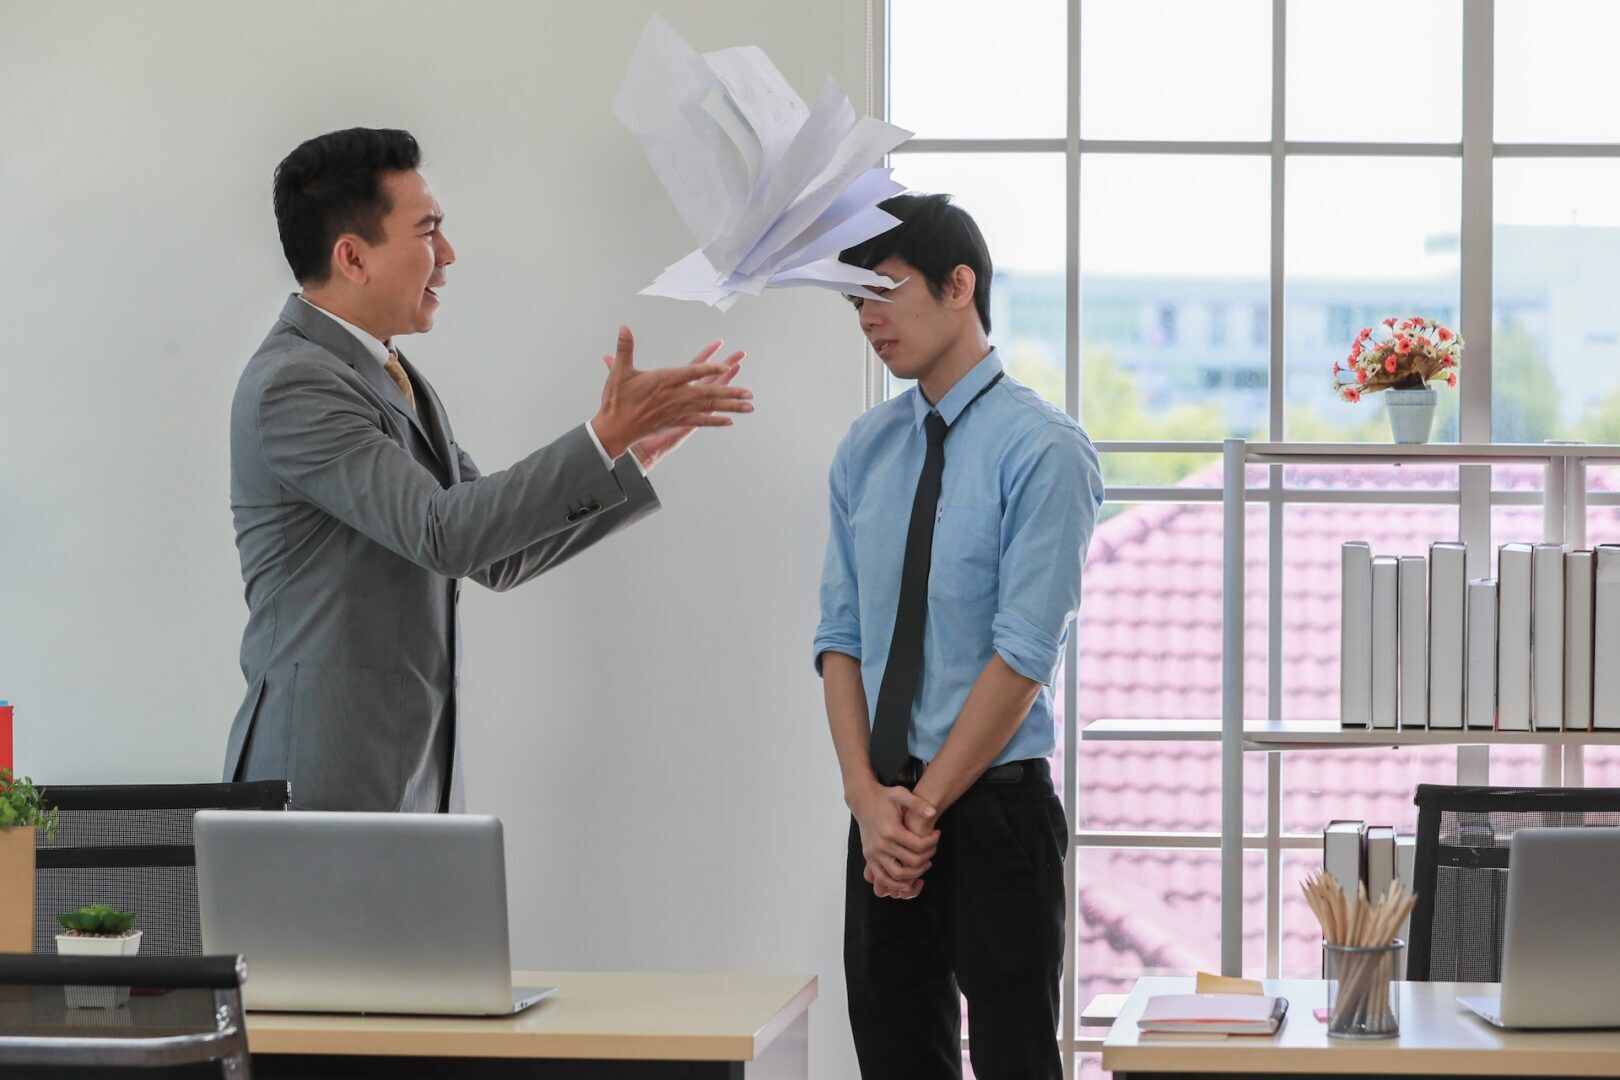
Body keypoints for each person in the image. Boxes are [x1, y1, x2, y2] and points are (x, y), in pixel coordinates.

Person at [224, 127, 753, 812]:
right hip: (320, 779)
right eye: (427, 231)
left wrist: (629, 453)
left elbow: (492, 553)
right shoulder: (294, 384)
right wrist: (602, 434)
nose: (447, 255)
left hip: (411, 776)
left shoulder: (389, 373)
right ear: (352, 257)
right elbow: (446, 534)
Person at [813, 193, 1104, 1079]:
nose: (867, 317)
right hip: (881, 809)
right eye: (853, 301)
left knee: (1017, 1062)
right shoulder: (865, 449)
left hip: (993, 812)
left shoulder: (1044, 449)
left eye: (884, 291)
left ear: (958, 286)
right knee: (896, 1062)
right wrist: (868, 800)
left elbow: (1023, 654)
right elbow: (839, 637)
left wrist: (922, 809)